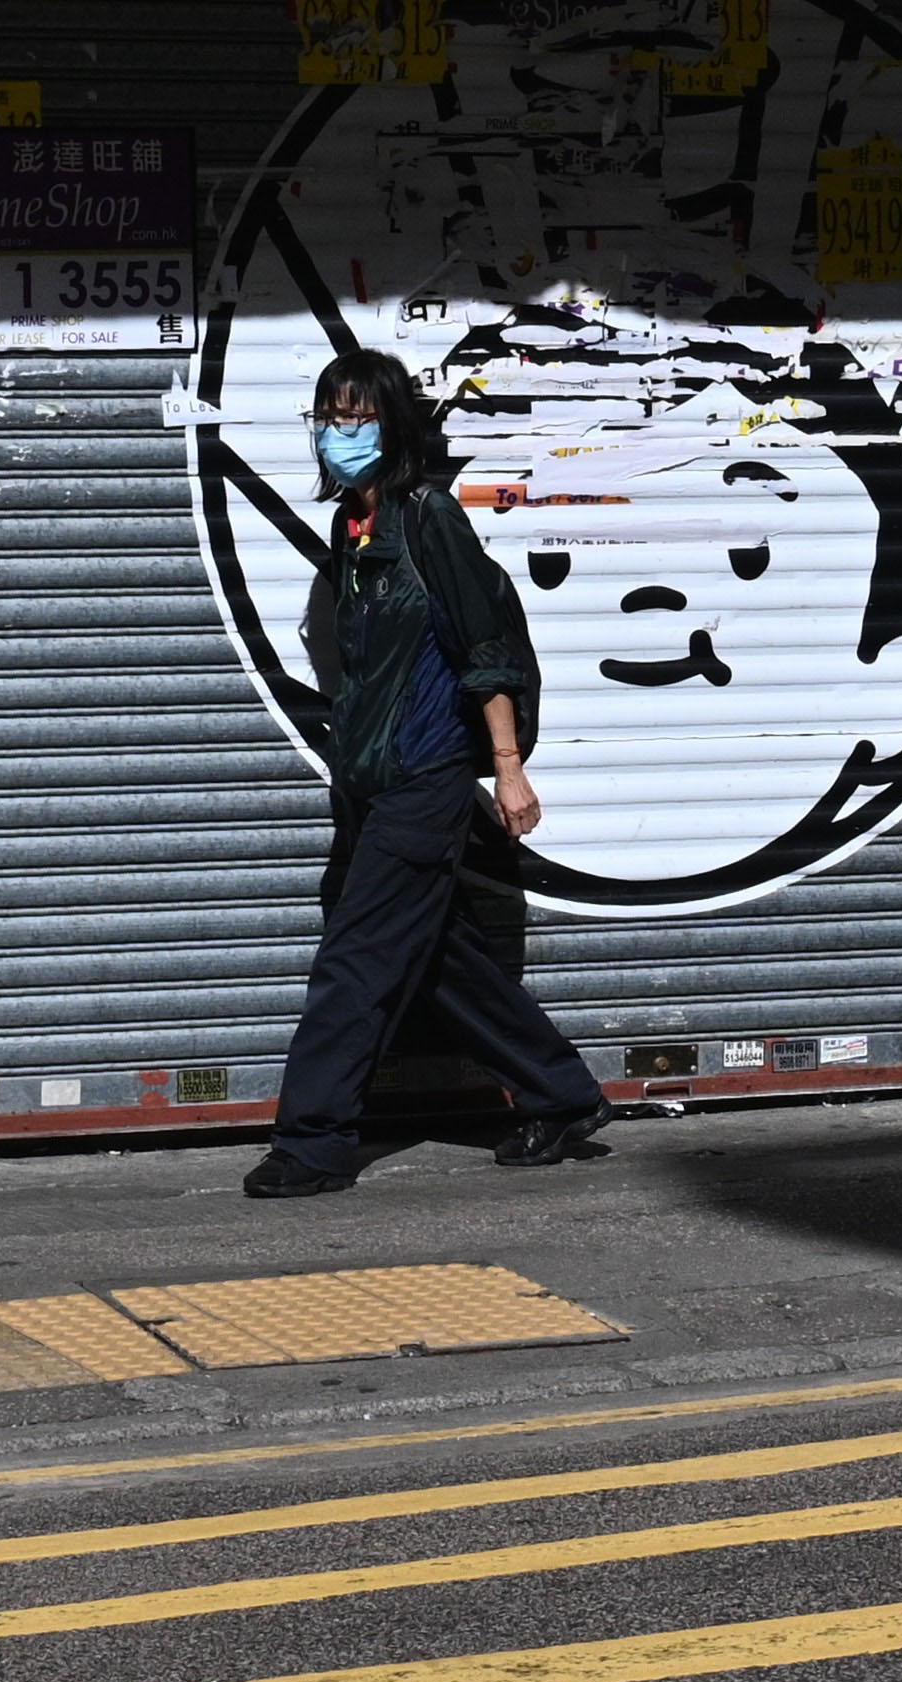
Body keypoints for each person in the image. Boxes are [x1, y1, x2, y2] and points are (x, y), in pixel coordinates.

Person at [245, 347, 611, 1196]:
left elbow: (482, 648)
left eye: (358, 415)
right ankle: (562, 1095)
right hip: (371, 782)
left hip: (426, 776)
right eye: (330, 416)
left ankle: (315, 1141)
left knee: (355, 960)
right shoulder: (352, 527)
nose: (341, 430)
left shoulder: (428, 517)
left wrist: (508, 771)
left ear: (395, 424)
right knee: (439, 958)